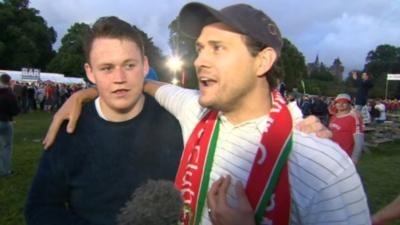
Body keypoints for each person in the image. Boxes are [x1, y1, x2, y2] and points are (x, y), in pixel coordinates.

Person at [43, 3, 370, 225]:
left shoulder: (323, 165)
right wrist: (87, 94)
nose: (199, 61)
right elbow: (143, 84)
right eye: (199, 49)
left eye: (218, 48)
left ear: (263, 60)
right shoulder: (194, 109)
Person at [24, 16, 183, 225]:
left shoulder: (178, 122)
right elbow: (40, 208)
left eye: (129, 65)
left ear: (144, 66)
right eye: (107, 68)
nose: (119, 78)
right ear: (90, 72)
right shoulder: (69, 130)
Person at [328, 93, 364, 164]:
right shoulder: (333, 117)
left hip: (345, 158)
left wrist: (354, 160)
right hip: (331, 155)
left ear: (349, 104)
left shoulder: (353, 118)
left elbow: (359, 142)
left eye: (344, 102)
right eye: (338, 102)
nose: (341, 104)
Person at [0, 73, 19, 177]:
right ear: (9, 81)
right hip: (4, 121)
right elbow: (15, 110)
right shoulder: (9, 93)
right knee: (6, 147)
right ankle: (5, 171)